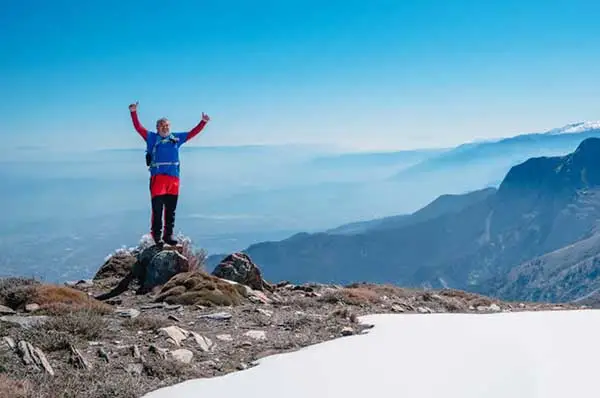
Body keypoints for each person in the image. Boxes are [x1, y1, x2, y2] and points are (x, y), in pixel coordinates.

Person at [129, 101, 210, 245]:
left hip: (173, 180)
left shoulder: (176, 138)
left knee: (171, 210)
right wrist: (133, 112)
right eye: (162, 126)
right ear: (157, 128)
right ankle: (157, 236)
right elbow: (138, 127)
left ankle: (168, 235)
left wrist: (203, 122)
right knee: (157, 210)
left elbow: (192, 133)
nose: (164, 128)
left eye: (166, 126)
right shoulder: (151, 138)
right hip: (158, 179)